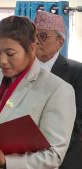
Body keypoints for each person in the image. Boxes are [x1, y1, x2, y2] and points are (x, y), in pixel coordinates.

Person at [0, 16, 76, 169]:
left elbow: (53, 155)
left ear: (32, 49)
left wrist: (6, 162)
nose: (2, 60)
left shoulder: (57, 89)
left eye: (10, 54)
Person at [34, 11, 82, 169]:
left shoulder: (77, 72)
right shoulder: (22, 70)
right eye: (32, 36)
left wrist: (51, 147)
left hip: (66, 153)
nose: (36, 41)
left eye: (42, 36)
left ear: (60, 42)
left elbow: (79, 120)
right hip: (25, 154)